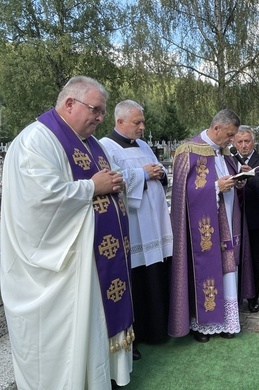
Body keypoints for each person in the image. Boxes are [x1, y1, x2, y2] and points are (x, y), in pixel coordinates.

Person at [0, 76, 133, 389]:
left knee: (94, 328)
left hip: (93, 261)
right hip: (63, 265)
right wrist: (93, 187)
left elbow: (103, 182)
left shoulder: (91, 143)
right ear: (70, 103)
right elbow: (39, 201)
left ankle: (100, 378)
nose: (101, 118)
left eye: (102, 111)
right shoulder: (36, 140)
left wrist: (114, 184)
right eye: (96, 110)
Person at [168, 109, 254, 343]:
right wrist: (215, 187)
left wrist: (238, 180)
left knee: (227, 271)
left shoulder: (224, 153)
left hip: (227, 220)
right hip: (203, 228)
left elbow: (228, 182)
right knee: (204, 270)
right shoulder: (188, 151)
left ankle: (227, 322)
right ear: (216, 128)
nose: (231, 140)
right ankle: (202, 324)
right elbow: (183, 195)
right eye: (229, 135)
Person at [100, 100, 173, 359]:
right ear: (120, 122)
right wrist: (142, 173)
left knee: (157, 272)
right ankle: (137, 335)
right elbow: (114, 180)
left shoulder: (143, 145)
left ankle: (159, 328)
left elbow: (159, 172)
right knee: (138, 278)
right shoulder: (105, 146)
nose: (142, 127)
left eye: (142, 122)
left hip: (153, 220)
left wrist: (159, 172)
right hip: (133, 222)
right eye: (137, 122)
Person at [232, 125, 259, 313]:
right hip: (233, 218)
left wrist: (250, 176)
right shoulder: (228, 161)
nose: (244, 145)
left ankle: (253, 298)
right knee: (234, 258)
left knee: (254, 259)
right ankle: (235, 295)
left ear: (253, 141)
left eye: (247, 141)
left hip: (254, 218)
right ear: (234, 142)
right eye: (239, 142)